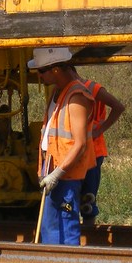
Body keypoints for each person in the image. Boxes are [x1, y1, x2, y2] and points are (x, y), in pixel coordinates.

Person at [28, 46, 95, 246]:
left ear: (56, 69)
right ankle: (53, 262)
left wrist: (57, 174)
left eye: (41, 71)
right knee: (50, 226)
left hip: (65, 174)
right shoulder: (58, 93)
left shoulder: (76, 97)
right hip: (51, 168)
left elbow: (80, 144)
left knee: (65, 226)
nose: (39, 76)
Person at [74, 69, 125, 228]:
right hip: (76, 152)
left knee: (87, 198)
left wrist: (100, 129)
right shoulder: (67, 90)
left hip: (93, 152)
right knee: (74, 197)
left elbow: (118, 107)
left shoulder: (92, 88)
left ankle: (88, 234)